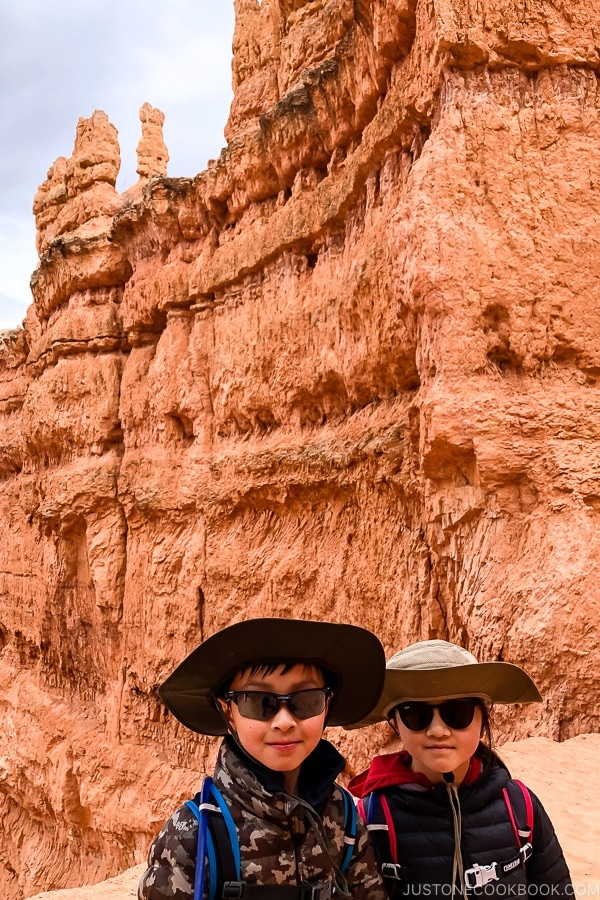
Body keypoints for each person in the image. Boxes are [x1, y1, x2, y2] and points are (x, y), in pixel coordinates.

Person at [139, 617, 388, 900]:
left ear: (326, 705)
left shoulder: (344, 817)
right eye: (259, 702)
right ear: (228, 711)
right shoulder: (193, 836)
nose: (284, 721)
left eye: (306, 700)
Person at [347, 639, 572, 898]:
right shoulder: (373, 819)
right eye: (417, 715)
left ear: (482, 718)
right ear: (396, 723)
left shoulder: (521, 807)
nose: (438, 731)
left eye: (456, 713)